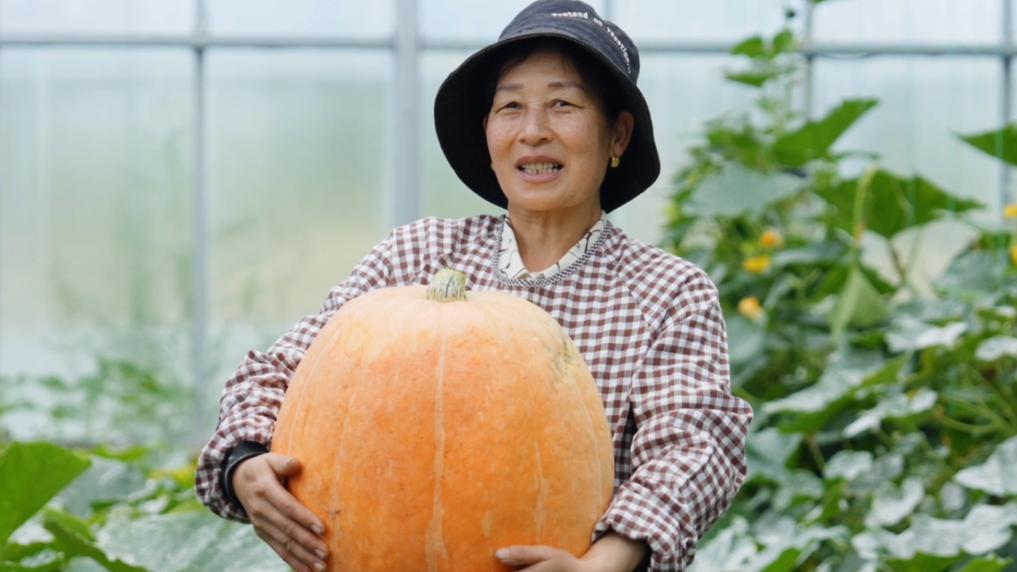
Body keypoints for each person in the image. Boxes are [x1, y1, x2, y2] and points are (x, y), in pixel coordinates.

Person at [195, 1, 753, 571]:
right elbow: (282, 372)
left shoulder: (668, 292)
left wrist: (598, 565)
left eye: (563, 104)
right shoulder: (417, 257)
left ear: (618, 135)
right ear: (487, 132)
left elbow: (692, 451)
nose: (533, 132)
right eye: (510, 107)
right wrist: (244, 464)